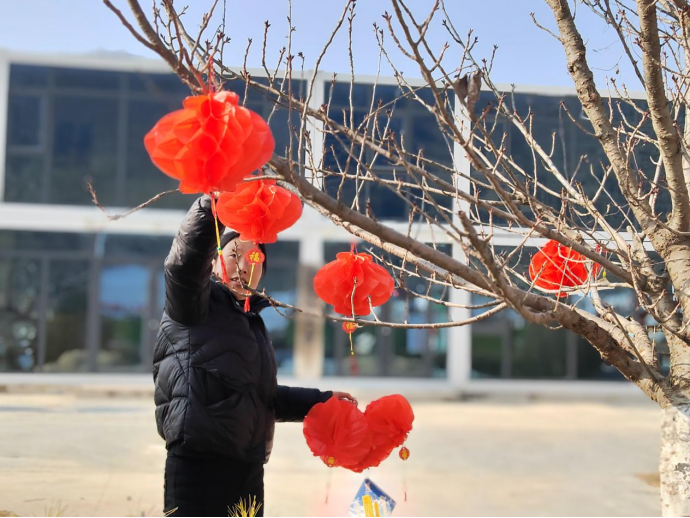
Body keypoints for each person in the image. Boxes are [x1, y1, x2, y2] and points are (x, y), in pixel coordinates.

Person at [154, 195, 356, 517]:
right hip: (198, 464)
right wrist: (212, 206)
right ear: (215, 261)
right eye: (234, 254)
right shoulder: (193, 306)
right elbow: (182, 265)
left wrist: (322, 401)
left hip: (247, 468)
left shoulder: (252, 324)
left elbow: (263, 398)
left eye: (254, 258)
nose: (244, 266)